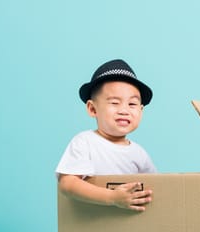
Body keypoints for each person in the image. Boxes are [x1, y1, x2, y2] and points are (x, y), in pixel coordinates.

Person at [56, 59, 155, 212]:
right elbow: (67, 183)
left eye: (132, 104)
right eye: (115, 103)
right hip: (92, 225)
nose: (124, 110)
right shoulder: (84, 142)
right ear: (92, 109)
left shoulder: (139, 153)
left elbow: (156, 187)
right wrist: (112, 198)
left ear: (141, 110)